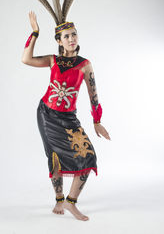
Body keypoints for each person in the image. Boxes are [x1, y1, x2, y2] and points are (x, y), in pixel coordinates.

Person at [21, 11, 111, 221]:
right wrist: (35, 32)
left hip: (69, 118)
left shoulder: (85, 64)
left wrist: (97, 121)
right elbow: (25, 59)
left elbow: (93, 94)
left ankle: (71, 203)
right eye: (67, 36)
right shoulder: (53, 60)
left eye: (74, 35)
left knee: (88, 156)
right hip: (46, 114)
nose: (72, 39)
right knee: (54, 157)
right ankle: (59, 199)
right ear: (59, 41)